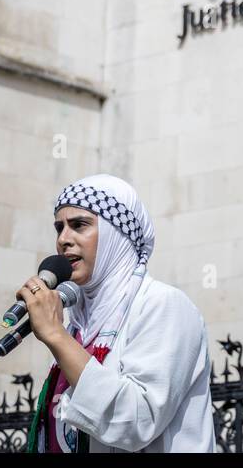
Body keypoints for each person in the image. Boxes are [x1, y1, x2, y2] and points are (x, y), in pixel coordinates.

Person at [19, 174, 216, 452]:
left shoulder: (163, 305)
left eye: (79, 225)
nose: (63, 239)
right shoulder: (79, 326)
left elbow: (137, 421)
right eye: (59, 227)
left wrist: (54, 334)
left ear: (116, 233)